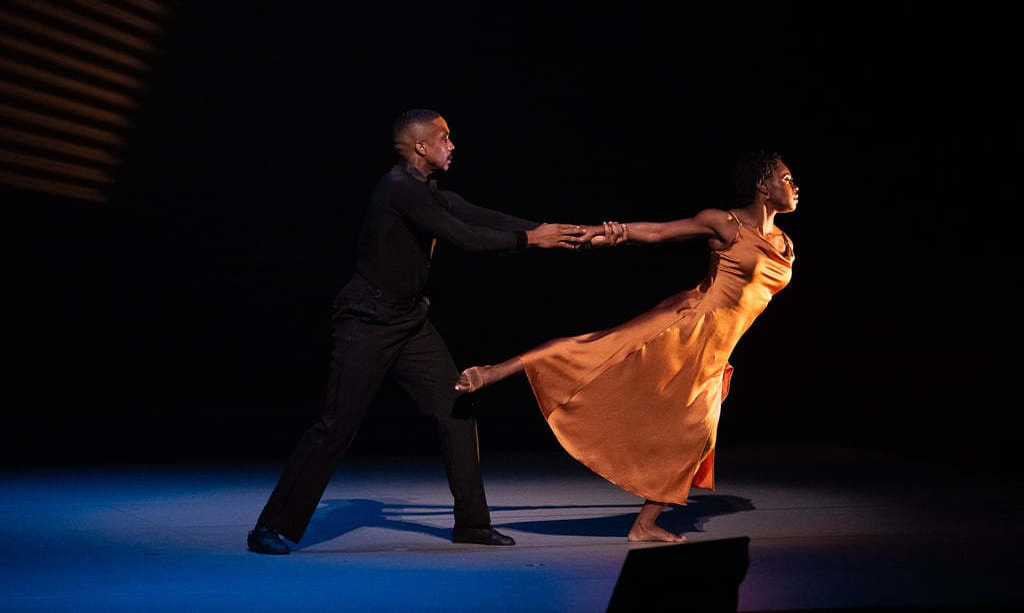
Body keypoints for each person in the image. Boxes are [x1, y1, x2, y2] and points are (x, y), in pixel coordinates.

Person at [247, 108, 591, 554]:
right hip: (367, 320)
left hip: (409, 321)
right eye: (445, 138)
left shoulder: (423, 190)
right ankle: (269, 528)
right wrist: (531, 241)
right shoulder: (398, 188)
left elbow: (471, 212)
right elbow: (463, 236)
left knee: (457, 411)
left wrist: (548, 230)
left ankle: (471, 524)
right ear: (420, 146)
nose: (453, 145)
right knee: (337, 427)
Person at [455, 150, 799, 543]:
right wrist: (603, 233)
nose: (795, 186)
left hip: (716, 349)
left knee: (699, 437)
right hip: (683, 325)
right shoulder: (726, 223)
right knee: (594, 349)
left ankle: (643, 525)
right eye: (787, 178)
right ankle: (491, 372)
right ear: (762, 185)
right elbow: (656, 232)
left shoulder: (785, 242)